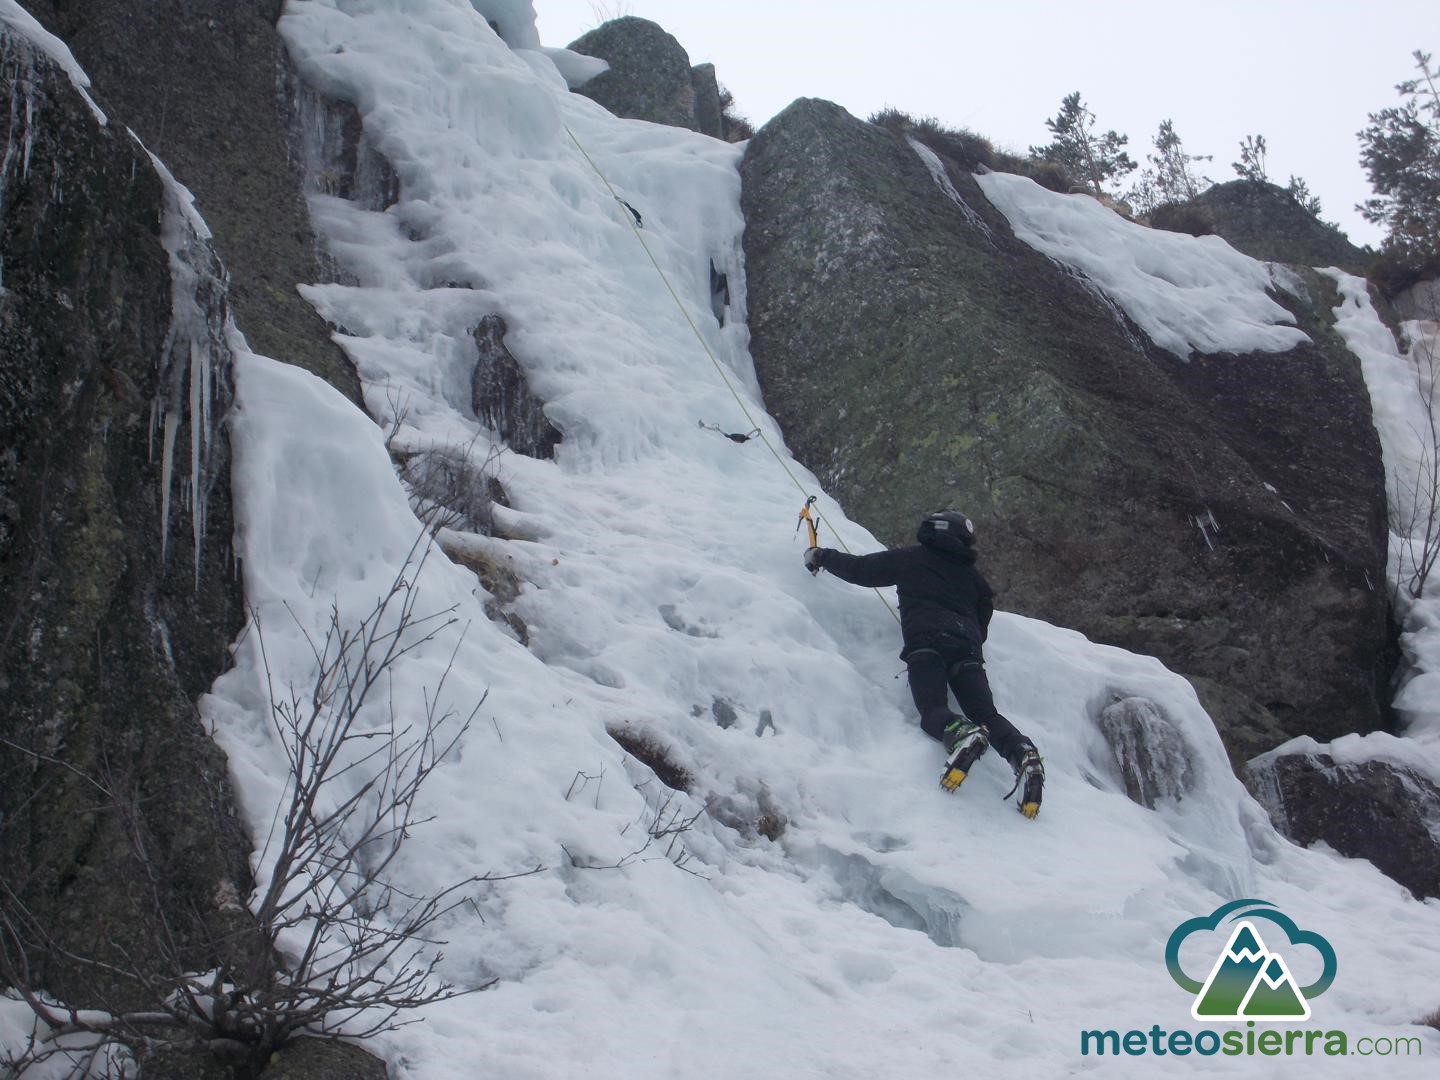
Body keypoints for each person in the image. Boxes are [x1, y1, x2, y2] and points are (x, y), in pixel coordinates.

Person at [803, 510, 1044, 818]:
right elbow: (983, 618)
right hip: (967, 651)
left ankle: (960, 733)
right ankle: (1022, 753)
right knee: (986, 713)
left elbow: (863, 570)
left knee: (932, 709)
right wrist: (967, 639)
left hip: (927, 644)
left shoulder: (913, 559)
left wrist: (821, 556)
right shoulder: (974, 579)